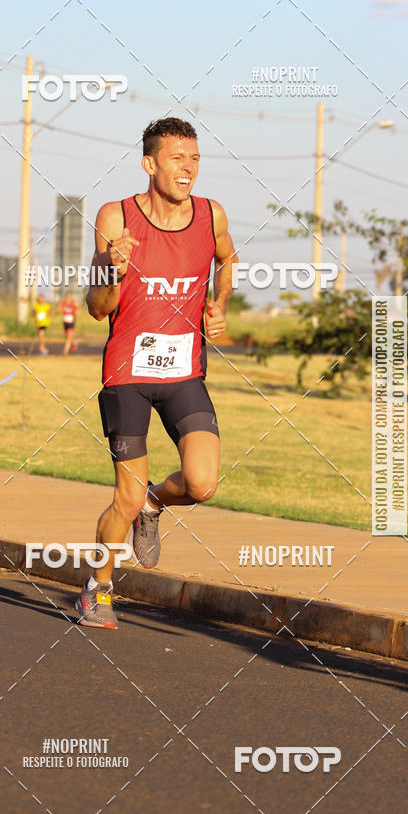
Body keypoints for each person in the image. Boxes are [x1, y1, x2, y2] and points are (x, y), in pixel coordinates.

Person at [75, 117, 235, 629]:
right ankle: (97, 589)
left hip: (184, 372)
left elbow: (227, 259)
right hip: (128, 375)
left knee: (202, 483)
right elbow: (98, 307)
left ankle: (155, 501)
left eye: (194, 158)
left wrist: (219, 303)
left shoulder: (211, 215)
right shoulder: (116, 217)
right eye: (176, 158)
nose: (188, 168)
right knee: (123, 497)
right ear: (149, 164)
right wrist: (112, 269)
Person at [58, 290, 79, 355]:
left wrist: (77, 311)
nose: (68, 297)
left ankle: (65, 352)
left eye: (69, 296)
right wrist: (62, 309)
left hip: (71, 322)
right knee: (68, 335)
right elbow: (58, 311)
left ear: (71, 296)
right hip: (65, 321)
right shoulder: (63, 302)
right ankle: (74, 343)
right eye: (67, 296)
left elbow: (79, 309)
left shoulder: (74, 302)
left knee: (69, 336)